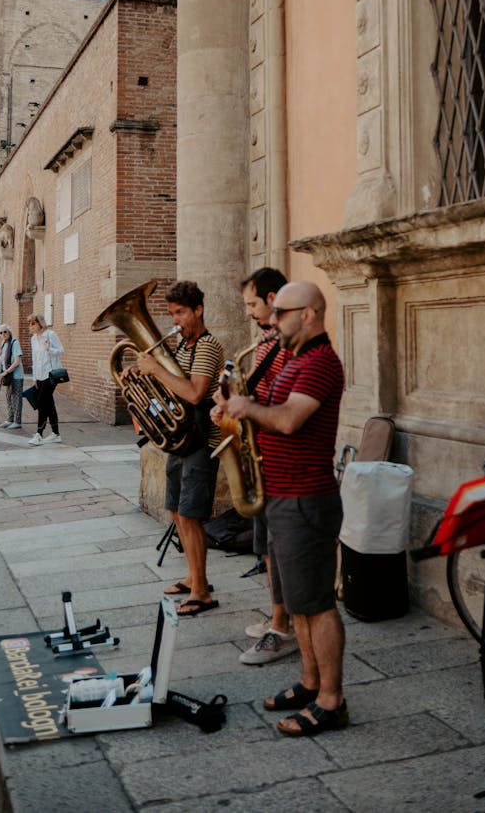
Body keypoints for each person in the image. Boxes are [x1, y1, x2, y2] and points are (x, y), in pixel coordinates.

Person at [214, 281, 347, 737]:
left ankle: (331, 700)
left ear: (308, 314)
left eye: (281, 313)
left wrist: (248, 406)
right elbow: (268, 413)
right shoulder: (293, 360)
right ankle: (311, 683)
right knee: (299, 604)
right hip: (283, 495)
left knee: (318, 606)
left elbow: (290, 419)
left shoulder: (321, 363)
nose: (271, 321)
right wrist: (233, 410)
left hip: (307, 498)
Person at [136, 280, 223, 618]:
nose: (175, 321)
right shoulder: (183, 347)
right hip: (180, 439)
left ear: (198, 310)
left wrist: (156, 368)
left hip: (202, 441)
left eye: (180, 313)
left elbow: (195, 393)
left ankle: (202, 592)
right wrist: (143, 376)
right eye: (172, 314)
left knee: (190, 514)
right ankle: (193, 575)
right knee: (175, 510)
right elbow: (172, 388)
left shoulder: (207, 346)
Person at [232, 267, 297, 666]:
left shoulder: (289, 346)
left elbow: (283, 400)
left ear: (273, 300)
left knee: (279, 547)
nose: (249, 312)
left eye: (252, 303)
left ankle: (282, 626)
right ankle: (279, 615)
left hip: (282, 457)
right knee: (267, 548)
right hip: (264, 453)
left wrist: (249, 405)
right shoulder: (266, 342)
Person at [27, 314, 65, 445]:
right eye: (29, 323)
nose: (30, 326)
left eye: (32, 323)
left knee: (42, 402)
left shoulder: (50, 335)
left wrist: (49, 349)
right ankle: (56, 434)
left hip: (51, 374)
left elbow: (61, 351)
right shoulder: (33, 339)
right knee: (49, 404)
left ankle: (39, 434)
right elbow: (34, 359)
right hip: (40, 375)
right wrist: (34, 378)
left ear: (40, 323)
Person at [0, 324, 24, 429]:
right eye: (1, 332)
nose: (3, 334)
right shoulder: (3, 343)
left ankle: (17, 421)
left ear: (9, 332)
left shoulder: (15, 343)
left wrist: (5, 372)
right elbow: (0, 359)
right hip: (7, 375)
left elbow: (17, 362)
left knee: (16, 398)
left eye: (5, 332)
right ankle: (10, 419)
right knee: (8, 397)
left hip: (16, 375)